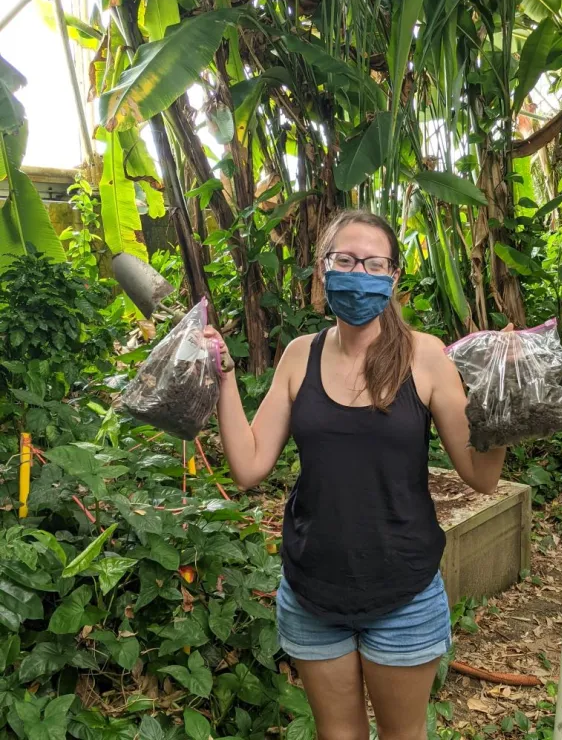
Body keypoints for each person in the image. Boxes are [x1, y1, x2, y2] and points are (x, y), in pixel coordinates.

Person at [204, 209, 511, 740]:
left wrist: (508, 400)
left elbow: (481, 476)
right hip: (312, 591)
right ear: (323, 271)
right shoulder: (300, 356)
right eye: (345, 260)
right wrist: (224, 376)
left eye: (373, 264)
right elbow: (250, 466)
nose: (359, 274)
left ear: (393, 277)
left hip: (402, 592)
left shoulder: (426, 357)